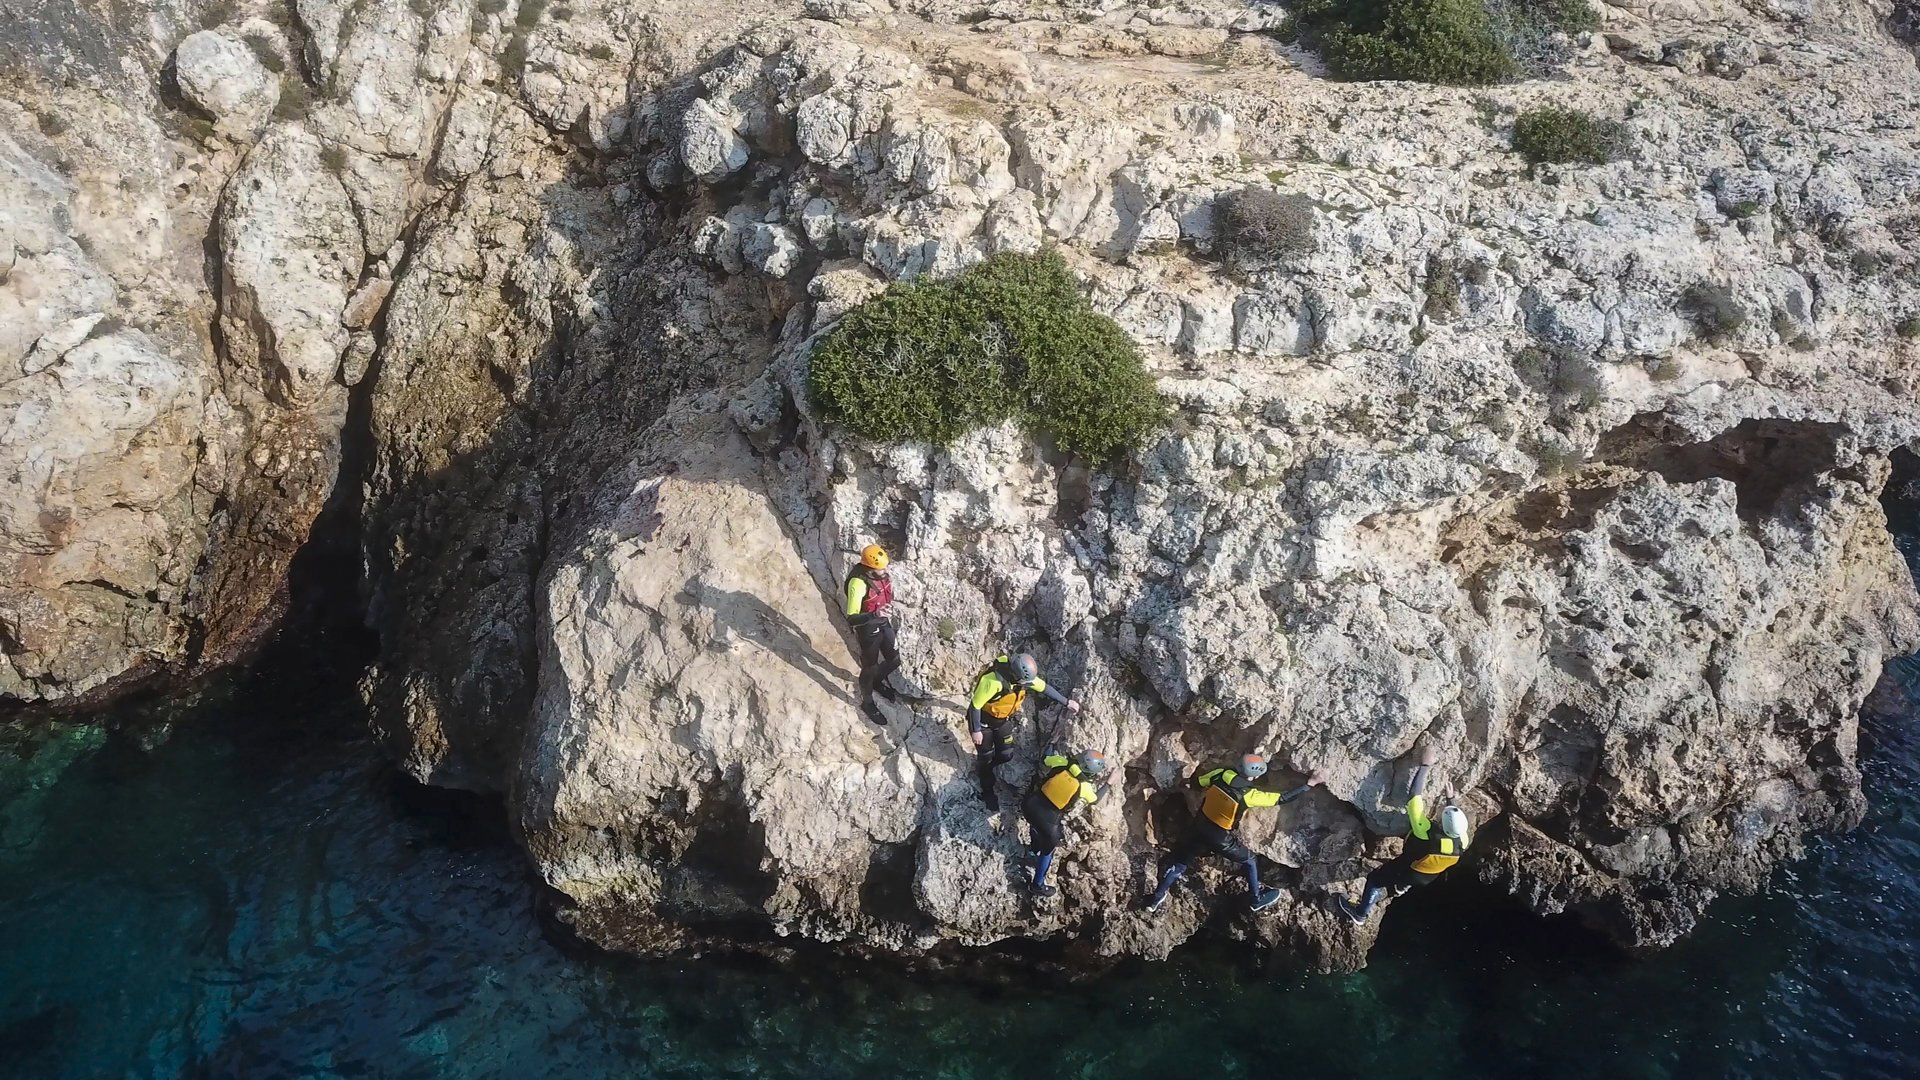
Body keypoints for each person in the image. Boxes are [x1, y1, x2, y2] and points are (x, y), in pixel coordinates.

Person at [1143, 753, 1324, 913]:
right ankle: (1256, 900)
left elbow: (1198, 783)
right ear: (1256, 775)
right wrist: (1310, 784)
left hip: (1199, 825)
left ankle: (1155, 899)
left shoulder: (1221, 774)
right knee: (1250, 860)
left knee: (1180, 863)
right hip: (1220, 837)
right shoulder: (1250, 794)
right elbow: (1282, 798)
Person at [1337, 744, 1471, 924]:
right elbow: (1452, 825)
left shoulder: (1424, 830)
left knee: (1375, 879)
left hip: (1409, 870)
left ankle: (1360, 913)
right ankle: (1400, 888)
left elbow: (1414, 795)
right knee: (1412, 871)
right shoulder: (1462, 839)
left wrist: (1425, 765)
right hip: (1428, 877)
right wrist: (1450, 799)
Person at [967, 652, 1079, 810]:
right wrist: (975, 730)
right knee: (985, 757)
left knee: (1006, 755)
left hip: (1001, 721)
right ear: (1015, 674)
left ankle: (989, 767)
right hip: (984, 722)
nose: (1029, 684)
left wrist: (1066, 702)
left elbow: (1045, 688)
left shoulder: (1024, 680)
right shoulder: (993, 681)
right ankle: (987, 789)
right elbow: (975, 706)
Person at [1020, 748, 1107, 899]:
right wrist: (1109, 783)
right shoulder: (1084, 786)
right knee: (1049, 849)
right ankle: (1037, 885)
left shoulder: (1063, 762)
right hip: (1048, 819)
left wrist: (1053, 745)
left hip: (1030, 805)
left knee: (1034, 825)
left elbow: (1046, 758)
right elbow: (1095, 799)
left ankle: (1033, 850)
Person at [844, 544, 901, 725]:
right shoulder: (858, 583)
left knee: (895, 659)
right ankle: (867, 703)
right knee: (869, 667)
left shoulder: (880, 575)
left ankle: (876, 682)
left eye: (885, 567)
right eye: (880, 569)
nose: (885, 571)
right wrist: (875, 615)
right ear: (869, 567)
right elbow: (852, 618)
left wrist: (882, 614)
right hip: (868, 627)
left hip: (883, 621)